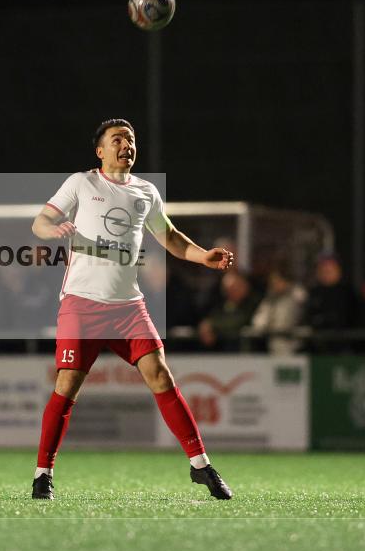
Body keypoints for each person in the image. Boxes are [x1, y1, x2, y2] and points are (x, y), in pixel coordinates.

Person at [30, 119, 234, 501]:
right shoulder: (82, 183)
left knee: (161, 374)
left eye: (131, 140)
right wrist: (52, 230)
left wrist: (203, 256)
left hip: (127, 307)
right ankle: (43, 474)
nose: (126, 145)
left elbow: (170, 237)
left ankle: (201, 466)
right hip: (82, 304)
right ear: (100, 150)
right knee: (67, 385)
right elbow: (41, 220)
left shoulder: (146, 191)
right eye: (118, 139)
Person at [249, 267, 306, 354]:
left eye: (278, 281)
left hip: (295, 344)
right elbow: (259, 322)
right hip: (273, 343)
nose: (275, 284)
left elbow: (292, 320)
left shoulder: (298, 296)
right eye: (273, 282)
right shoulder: (270, 299)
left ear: (286, 281)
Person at [197, 271, 259, 351]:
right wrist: (206, 324)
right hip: (225, 351)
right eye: (227, 290)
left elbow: (238, 321)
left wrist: (212, 324)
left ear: (244, 286)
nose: (229, 293)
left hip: (249, 352)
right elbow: (213, 316)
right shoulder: (223, 304)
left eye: (233, 289)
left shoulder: (253, 302)